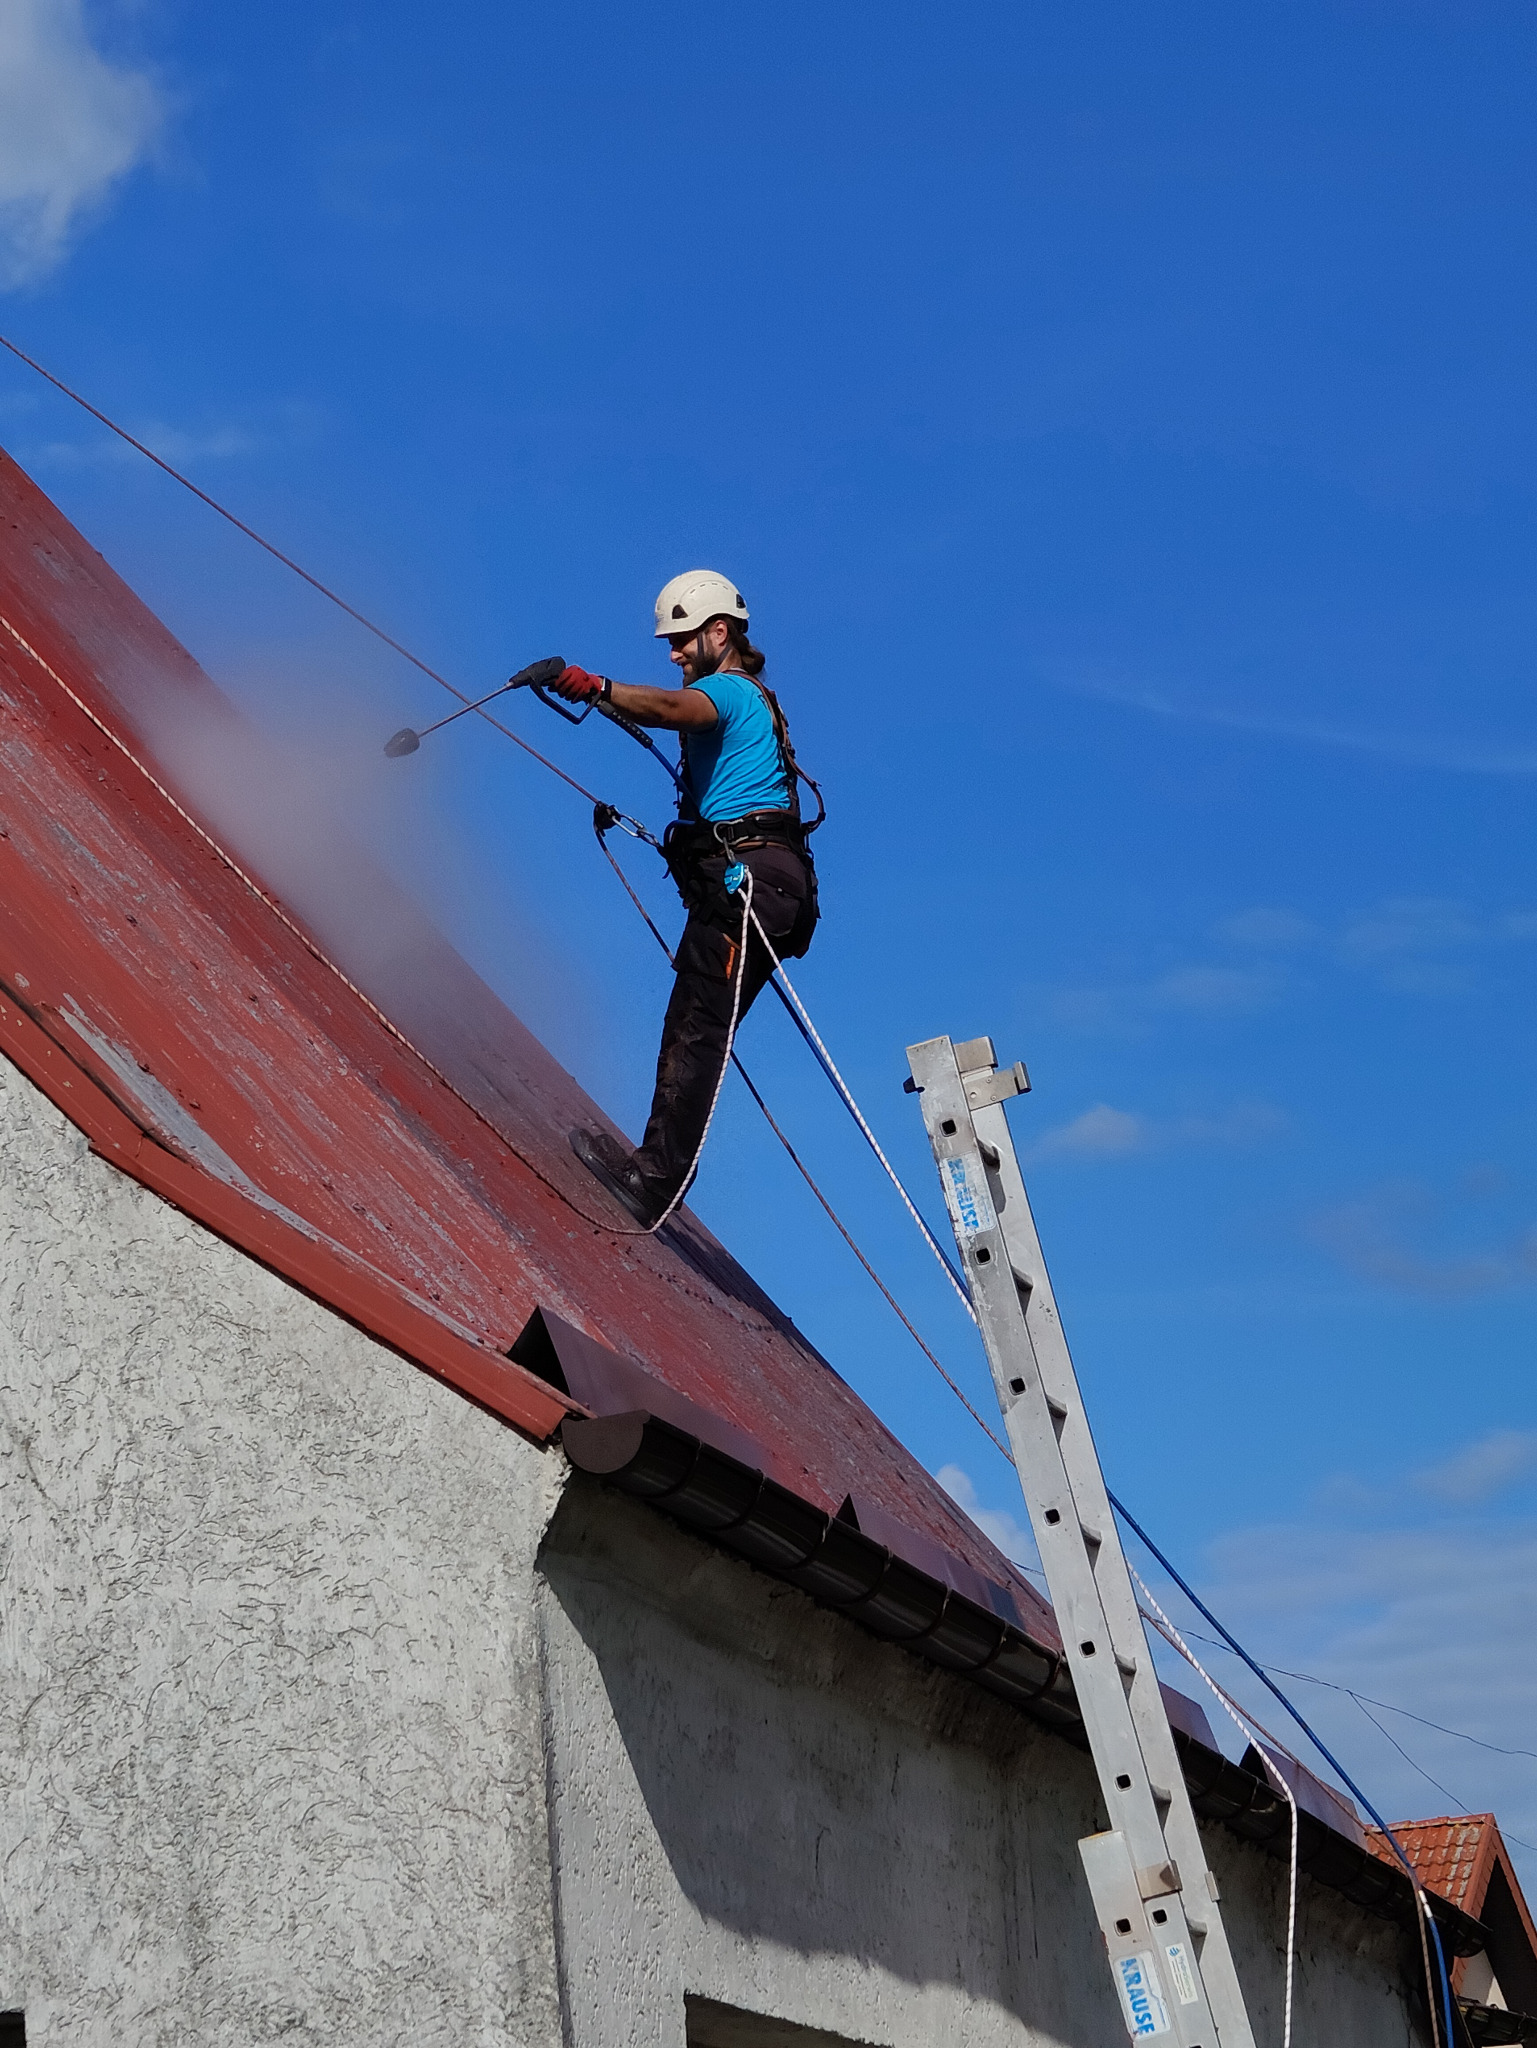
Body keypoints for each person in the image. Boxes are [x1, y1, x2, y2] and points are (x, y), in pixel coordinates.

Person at [558, 569, 820, 1227]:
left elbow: (676, 709)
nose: (673, 655)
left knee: (695, 1030)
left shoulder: (726, 692)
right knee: (695, 1025)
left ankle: (655, 1181)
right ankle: (660, 1171)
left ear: (719, 632)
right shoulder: (750, 701)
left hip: (749, 891)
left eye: (681, 640)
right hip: (766, 890)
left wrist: (595, 687)